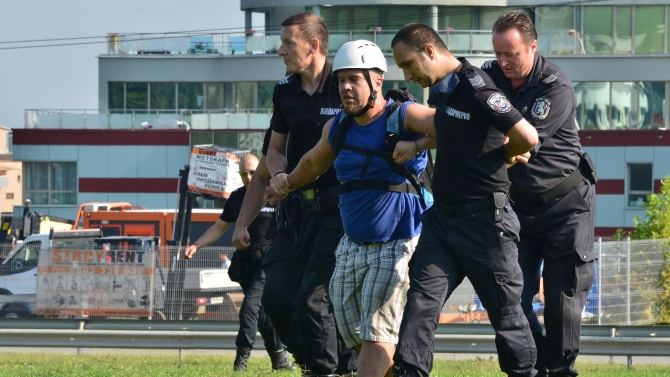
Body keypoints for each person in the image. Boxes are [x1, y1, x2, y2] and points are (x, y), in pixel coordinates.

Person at [266, 40, 436, 377]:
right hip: (352, 244)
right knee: (349, 330)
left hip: (398, 241)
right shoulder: (339, 127)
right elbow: (313, 163)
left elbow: (455, 127)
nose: (345, 88)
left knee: (375, 334)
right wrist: (286, 182)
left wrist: (416, 143)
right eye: (341, 80)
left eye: (354, 80)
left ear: (377, 81)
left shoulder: (403, 115)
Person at [389, 23, 540, 377]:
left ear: (429, 51)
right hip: (442, 221)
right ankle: (410, 372)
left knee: (506, 315)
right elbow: (454, 130)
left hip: (485, 224)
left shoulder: (477, 89)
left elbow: (527, 136)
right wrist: (417, 144)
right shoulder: (444, 90)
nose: (408, 76)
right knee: (420, 305)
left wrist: (503, 155)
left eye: (410, 65)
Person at [232, 12, 358, 377]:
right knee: (276, 295)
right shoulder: (284, 91)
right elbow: (273, 150)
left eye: (288, 43)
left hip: (338, 212)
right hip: (293, 215)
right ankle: (316, 364)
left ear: (314, 45)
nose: (280, 50)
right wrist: (281, 176)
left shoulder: (345, 85)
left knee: (315, 298)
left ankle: (336, 369)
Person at [483, 11, 597, 377]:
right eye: (498, 54)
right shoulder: (491, 75)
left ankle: (560, 369)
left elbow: (521, 139)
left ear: (533, 46)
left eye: (511, 54)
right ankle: (530, 365)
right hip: (518, 206)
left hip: (566, 205)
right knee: (510, 293)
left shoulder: (555, 86)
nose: (503, 63)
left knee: (563, 297)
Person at [184, 153, 293, 372]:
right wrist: (197, 245)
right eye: (244, 173)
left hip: (269, 260)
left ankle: (240, 361)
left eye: (253, 172)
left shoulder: (275, 194)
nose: (249, 177)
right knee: (261, 314)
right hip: (246, 263)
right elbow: (219, 227)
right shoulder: (236, 198)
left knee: (249, 308)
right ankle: (280, 360)